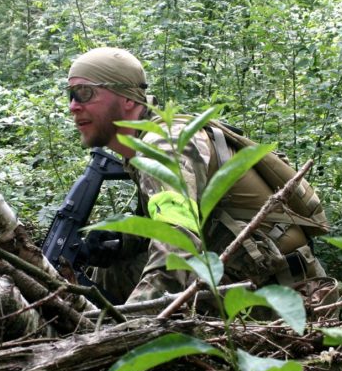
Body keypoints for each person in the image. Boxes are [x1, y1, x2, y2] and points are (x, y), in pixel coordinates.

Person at [66, 46, 328, 306]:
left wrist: (125, 332)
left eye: (85, 93)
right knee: (111, 269)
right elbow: (185, 219)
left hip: (283, 297)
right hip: (254, 276)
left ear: (127, 98)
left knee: (128, 292)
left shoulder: (165, 147)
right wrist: (124, 240)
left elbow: (177, 245)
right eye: (71, 95)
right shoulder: (146, 144)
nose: (74, 107)